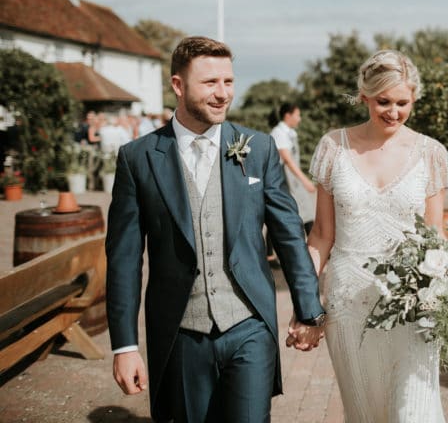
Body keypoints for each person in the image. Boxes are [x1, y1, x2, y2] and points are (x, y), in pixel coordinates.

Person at [105, 36, 325, 422]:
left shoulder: (257, 148)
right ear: (177, 85)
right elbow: (123, 259)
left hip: (250, 325)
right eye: (210, 83)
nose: (223, 93)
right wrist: (124, 346)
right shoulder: (137, 158)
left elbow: (289, 233)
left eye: (228, 81)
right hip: (181, 333)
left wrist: (309, 312)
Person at [303, 50, 448, 422]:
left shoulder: (430, 154)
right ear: (364, 97)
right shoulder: (333, 147)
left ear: (414, 99)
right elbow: (322, 235)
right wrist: (305, 303)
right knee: (364, 413)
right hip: (348, 302)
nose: (393, 111)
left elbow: (437, 237)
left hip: (415, 305)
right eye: (383, 101)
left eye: (402, 102)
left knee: (413, 413)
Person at [270, 103, 316, 235]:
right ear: (287, 115)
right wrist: (305, 181)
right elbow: (287, 160)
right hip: (286, 178)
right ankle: (313, 248)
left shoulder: (291, 133)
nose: (299, 119)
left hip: (293, 179)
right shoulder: (278, 133)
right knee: (300, 211)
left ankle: (270, 253)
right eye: (297, 115)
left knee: (303, 210)